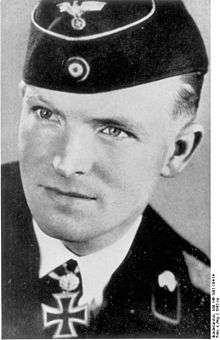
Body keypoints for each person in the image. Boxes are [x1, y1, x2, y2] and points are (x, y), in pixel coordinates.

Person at [2, 0, 210, 338]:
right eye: (45, 114)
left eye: (113, 130)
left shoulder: (203, 308)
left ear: (178, 152)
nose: (67, 164)